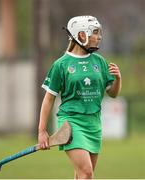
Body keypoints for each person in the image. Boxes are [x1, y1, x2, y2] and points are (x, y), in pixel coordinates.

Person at [38, 15, 121, 179]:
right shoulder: (61, 65)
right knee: (87, 172)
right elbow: (49, 98)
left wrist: (118, 79)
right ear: (81, 35)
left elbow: (112, 93)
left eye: (99, 32)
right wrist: (42, 131)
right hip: (71, 123)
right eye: (94, 33)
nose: (99, 37)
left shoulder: (100, 61)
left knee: (82, 175)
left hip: (94, 124)